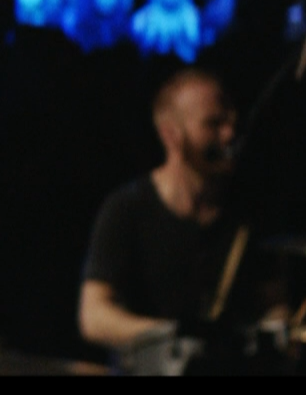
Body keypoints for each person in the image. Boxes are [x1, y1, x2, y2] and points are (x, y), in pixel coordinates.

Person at [79, 68, 285, 373]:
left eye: (230, 122)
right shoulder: (127, 208)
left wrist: (277, 330)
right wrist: (170, 337)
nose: (229, 134)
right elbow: (94, 316)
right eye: (213, 124)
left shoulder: (245, 214)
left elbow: (273, 304)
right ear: (171, 134)